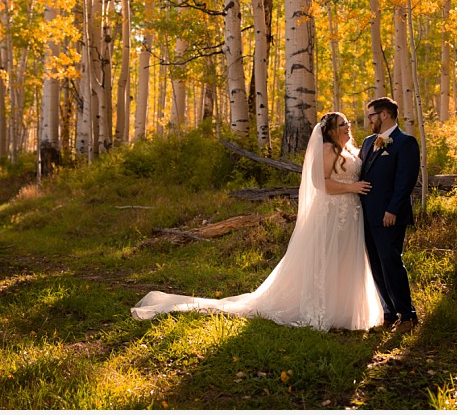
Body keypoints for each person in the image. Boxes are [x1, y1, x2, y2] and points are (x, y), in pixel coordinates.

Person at [131, 112, 385, 331]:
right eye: (343, 124)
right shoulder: (328, 149)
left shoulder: (351, 149)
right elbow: (321, 183)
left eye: (348, 123)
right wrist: (352, 187)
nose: (348, 127)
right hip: (334, 212)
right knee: (328, 259)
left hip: (350, 212)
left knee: (345, 259)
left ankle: (346, 310)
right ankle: (324, 309)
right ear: (331, 130)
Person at [357, 97, 420, 333]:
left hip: (389, 215)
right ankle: (389, 313)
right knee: (375, 264)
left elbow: (405, 181)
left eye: (371, 115)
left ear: (384, 115)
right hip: (366, 215)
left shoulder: (405, 143)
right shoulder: (368, 142)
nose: (369, 119)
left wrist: (392, 209)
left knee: (391, 262)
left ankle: (408, 315)